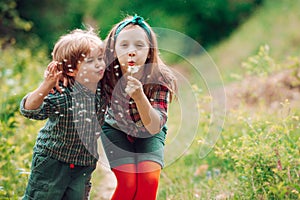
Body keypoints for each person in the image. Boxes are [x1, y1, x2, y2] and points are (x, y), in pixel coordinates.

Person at [20, 28, 107, 199]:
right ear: (71, 70)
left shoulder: (103, 91)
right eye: (90, 61)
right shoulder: (62, 93)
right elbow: (29, 110)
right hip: (52, 161)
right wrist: (46, 86)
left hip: (83, 162)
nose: (99, 64)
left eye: (101, 58)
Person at [100, 15, 177, 200]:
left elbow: (154, 126)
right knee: (128, 185)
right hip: (115, 129)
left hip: (150, 130)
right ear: (113, 50)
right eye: (124, 45)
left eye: (139, 45)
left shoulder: (160, 77)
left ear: (150, 50)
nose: (131, 51)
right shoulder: (105, 73)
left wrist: (140, 97)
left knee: (148, 181)